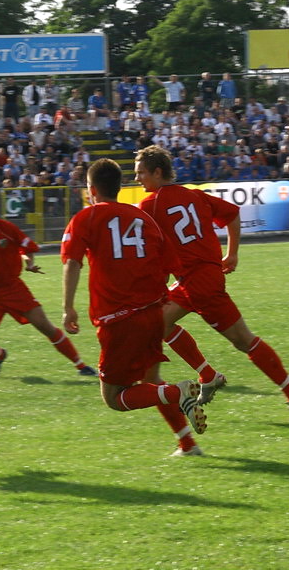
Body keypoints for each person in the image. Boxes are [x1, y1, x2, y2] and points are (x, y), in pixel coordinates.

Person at [134, 145, 289, 422]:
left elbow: (149, 246)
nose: (137, 179)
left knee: (244, 340)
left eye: (141, 173)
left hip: (199, 281)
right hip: (195, 277)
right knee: (157, 323)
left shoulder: (151, 204)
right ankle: (208, 375)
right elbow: (231, 214)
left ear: (157, 173)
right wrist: (232, 253)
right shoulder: (194, 195)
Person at [61, 158, 207, 456]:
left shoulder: (86, 218)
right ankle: (188, 443)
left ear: (91, 190)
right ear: (119, 187)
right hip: (154, 313)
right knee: (150, 381)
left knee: (114, 397)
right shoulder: (142, 217)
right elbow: (169, 265)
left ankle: (177, 393)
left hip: (118, 319)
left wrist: (68, 308)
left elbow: (72, 262)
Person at [0, 191, 96, 379]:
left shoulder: (6, 229)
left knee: (45, 326)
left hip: (13, 288)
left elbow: (25, 247)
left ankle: (80, 365)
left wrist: (29, 262)